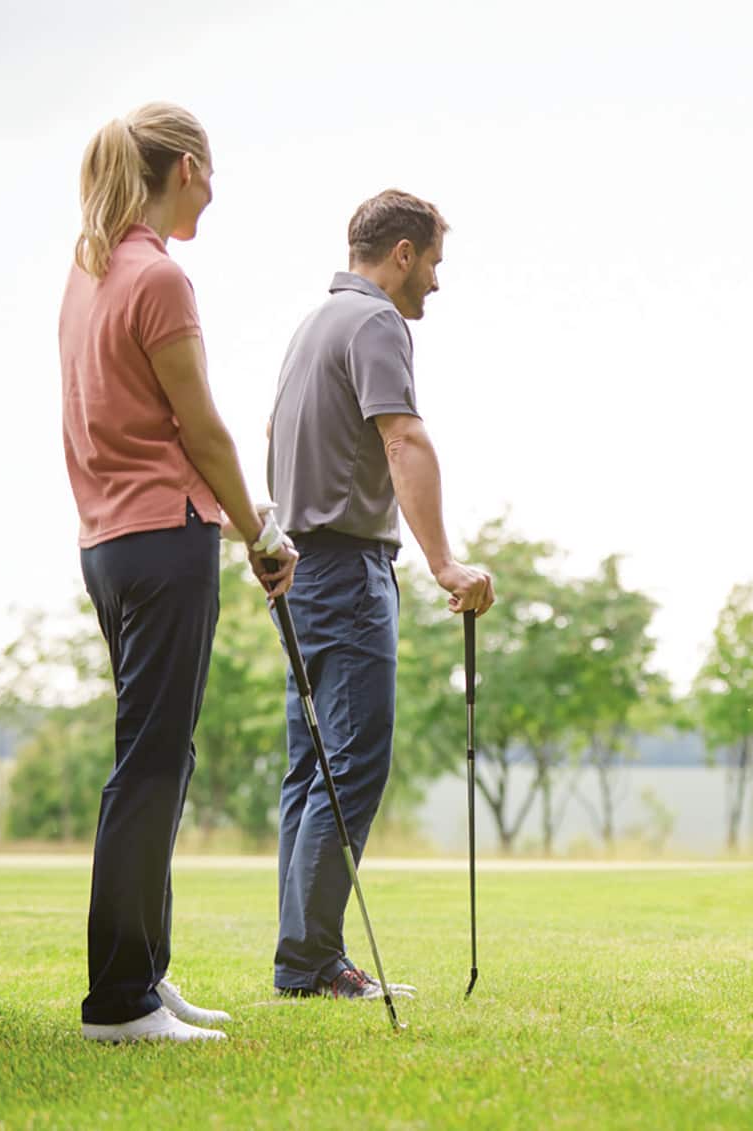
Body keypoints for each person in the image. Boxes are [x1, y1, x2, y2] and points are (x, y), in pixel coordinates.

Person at [59, 102, 295, 1043]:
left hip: (111, 545)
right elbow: (201, 427)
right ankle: (118, 999)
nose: (216, 188)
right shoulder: (159, 276)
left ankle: (146, 977)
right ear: (188, 167)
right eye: (213, 171)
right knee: (150, 764)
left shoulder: (89, 271)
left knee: (157, 757)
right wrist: (259, 531)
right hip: (166, 538)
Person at [267, 189, 494, 1000]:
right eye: (433, 261)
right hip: (346, 572)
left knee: (311, 770)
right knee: (350, 766)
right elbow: (404, 437)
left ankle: (301, 958)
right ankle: (314, 962)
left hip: (299, 571)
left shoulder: (315, 325)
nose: (435, 280)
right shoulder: (374, 323)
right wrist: (445, 563)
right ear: (402, 253)